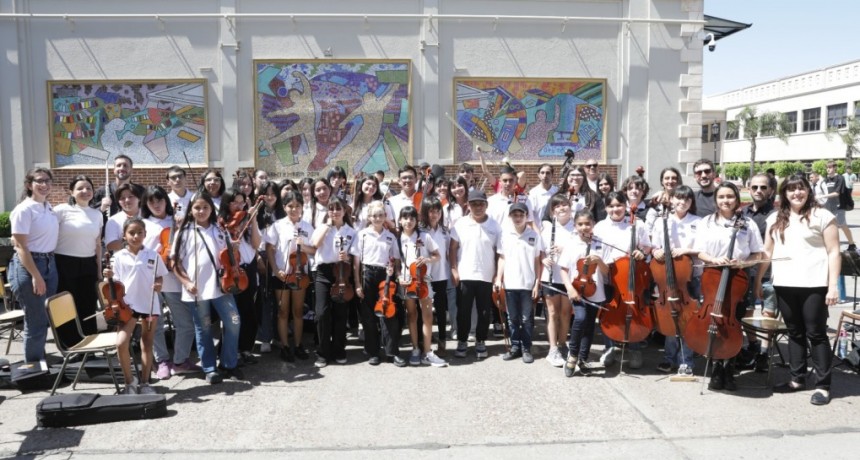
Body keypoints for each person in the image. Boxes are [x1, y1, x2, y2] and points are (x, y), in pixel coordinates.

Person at [756, 174, 839, 406]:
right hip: (784, 283)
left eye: (801, 189)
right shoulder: (775, 218)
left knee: (816, 333)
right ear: (784, 194)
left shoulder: (823, 216)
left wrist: (832, 286)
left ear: (808, 190)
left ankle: (823, 386)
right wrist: (758, 281)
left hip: (815, 284)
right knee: (794, 332)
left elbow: (834, 252)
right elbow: (767, 252)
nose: (796, 194)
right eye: (791, 190)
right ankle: (797, 379)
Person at [693, 182, 764, 391]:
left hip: (738, 280)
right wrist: (714, 260)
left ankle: (729, 369)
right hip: (713, 277)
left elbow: (757, 254)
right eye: (721, 197)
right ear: (716, 200)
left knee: (734, 325)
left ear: (737, 199)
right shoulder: (706, 222)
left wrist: (743, 263)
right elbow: (699, 251)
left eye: (730, 197)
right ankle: (715, 368)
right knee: (713, 323)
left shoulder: (747, 223)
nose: (726, 201)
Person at [172, 191, 243, 384]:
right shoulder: (184, 232)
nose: (201, 211)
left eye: (205, 207)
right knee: (203, 328)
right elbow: (175, 263)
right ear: (191, 210)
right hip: (197, 289)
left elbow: (230, 259)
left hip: (222, 285)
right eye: (197, 207)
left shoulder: (220, 229)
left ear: (212, 208)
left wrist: (233, 249)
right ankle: (209, 367)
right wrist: (186, 282)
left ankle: (229, 363)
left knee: (234, 322)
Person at [103, 217, 167, 395]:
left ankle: (145, 383)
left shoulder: (153, 255)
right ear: (124, 235)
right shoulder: (118, 257)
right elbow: (112, 283)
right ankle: (130, 382)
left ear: (145, 234)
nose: (136, 236)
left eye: (140, 232)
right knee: (121, 343)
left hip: (149, 304)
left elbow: (160, 276)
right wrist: (107, 274)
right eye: (131, 233)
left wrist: (159, 284)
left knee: (147, 343)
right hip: (127, 306)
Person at [142, 185, 200, 378]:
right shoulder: (143, 224)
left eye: (159, 200)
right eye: (151, 201)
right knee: (156, 325)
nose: (156, 205)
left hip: (174, 278)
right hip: (152, 280)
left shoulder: (177, 220)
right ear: (146, 204)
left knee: (185, 323)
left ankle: (180, 360)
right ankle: (162, 361)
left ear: (166, 202)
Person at [593, 191, 652, 369]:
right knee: (609, 312)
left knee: (632, 311)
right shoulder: (600, 227)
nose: (615, 209)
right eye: (611, 206)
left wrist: (641, 253)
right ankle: (609, 348)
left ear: (626, 206)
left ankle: (634, 348)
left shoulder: (636, 224)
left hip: (630, 276)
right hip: (607, 275)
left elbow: (647, 247)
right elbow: (596, 251)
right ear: (606, 208)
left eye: (619, 205)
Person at [9, 168, 59, 364]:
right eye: (39, 181)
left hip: (49, 263)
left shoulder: (48, 207)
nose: (44, 184)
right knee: (36, 319)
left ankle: (39, 356)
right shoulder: (24, 209)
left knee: (44, 317)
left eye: (48, 181)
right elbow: (21, 246)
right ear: (29, 185)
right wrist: (36, 275)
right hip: (30, 265)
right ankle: (34, 367)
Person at [649, 185, 701, 373]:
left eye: (687, 199)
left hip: (689, 277)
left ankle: (686, 360)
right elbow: (653, 246)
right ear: (671, 200)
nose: (682, 202)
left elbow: (703, 248)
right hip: (667, 277)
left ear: (691, 202)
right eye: (678, 198)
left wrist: (686, 250)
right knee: (670, 317)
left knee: (688, 319)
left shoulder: (698, 221)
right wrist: (657, 251)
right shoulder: (663, 220)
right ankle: (669, 358)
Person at [450, 190, 501, 360]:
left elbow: (498, 253)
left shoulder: (495, 226)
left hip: (486, 275)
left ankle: (480, 341)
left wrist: (496, 276)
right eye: (474, 204)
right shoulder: (460, 224)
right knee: (463, 311)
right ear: (468, 206)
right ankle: (462, 341)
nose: (478, 207)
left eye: (481, 204)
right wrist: (454, 269)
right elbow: (452, 248)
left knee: (484, 312)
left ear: (486, 205)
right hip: (465, 274)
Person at [266, 191, 315, 362]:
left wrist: (304, 245)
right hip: (282, 274)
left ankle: (299, 344)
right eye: (290, 206)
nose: (294, 209)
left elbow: (314, 250)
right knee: (283, 311)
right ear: (284, 207)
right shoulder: (278, 225)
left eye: (297, 206)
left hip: (300, 274)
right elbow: (270, 249)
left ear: (302, 207)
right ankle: (285, 346)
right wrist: (275, 269)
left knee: (298, 311)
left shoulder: (308, 227)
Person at [560, 210, 609, 376]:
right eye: (580, 224)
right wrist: (569, 288)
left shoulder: (601, 243)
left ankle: (583, 358)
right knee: (580, 319)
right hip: (577, 289)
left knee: (589, 325)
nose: (584, 227)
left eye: (587, 223)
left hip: (596, 290)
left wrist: (599, 260)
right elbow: (564, 269)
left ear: (593, 224)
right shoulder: (571, 243)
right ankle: (572, 355)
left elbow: (607, 271)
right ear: (575, 226)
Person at [353, 200, 402, 366]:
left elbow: (395, 259)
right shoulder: (362, 235)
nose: (377, 218)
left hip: (385, 276)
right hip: (367, 274)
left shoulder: (390, 237)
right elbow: (356, 262)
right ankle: (373, 351)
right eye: (374, 215)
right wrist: (358, 283)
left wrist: (395, 272)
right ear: (369, 217)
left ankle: (392, 352)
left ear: (385, 216)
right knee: (368, 317)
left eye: (380, 215)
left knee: (389, 314)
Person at [310, 196, 356, 367]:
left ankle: (339, 349)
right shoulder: (322, 227)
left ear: (344, 211)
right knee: (321, 313)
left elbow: (356, 256)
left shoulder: (351, 232)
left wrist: (348, 257)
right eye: (331, 208)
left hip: (343, 272)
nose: (335, 212)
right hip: (323, 272)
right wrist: (328, 226)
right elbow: (315, 244)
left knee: (340, 313)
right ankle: (323, 352)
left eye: (338, 209)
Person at [54, 175, 103, 335]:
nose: (85, 191)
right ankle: (70, 345)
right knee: (66, 306)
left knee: (88, 305)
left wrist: (99, 270)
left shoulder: (97, 215)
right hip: (64, 263)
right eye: (80, 188)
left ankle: (90, 344)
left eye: (89, 188)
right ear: (71, 192)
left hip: (88, 264)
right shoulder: (61, 210)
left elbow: (97, 245)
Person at [398, 206, 447, 367]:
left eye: (412, 218)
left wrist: (426, 260)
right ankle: (415, 349)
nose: (409, 221)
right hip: (407, 281)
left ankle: (427, 351)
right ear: (400, 220)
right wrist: (399, 276)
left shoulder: (424, 236)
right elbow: (397, 262)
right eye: (405, 218)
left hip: (424, 280)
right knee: (411, 315)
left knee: (427, 316)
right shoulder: (397, 238)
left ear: (416, 221)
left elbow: (437, 256)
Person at [218, 189, 262, 366]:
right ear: (227, 204)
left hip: (248, 269)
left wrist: (254, 220)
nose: (238, 206)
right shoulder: (220, 223)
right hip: (231, 270)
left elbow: (256, 244)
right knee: (232, 315)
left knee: (249, 312)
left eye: (242, 202)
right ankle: (230, 350)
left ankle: (246, 348)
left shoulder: (247, 220)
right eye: (234, 202)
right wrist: (230, 245)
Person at [738, 174, 777, 371]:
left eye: (763, 187)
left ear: (770, 190)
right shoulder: (742, 214)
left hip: (769, 272)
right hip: (746, 271)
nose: (758, 191)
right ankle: (752, 345)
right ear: (749, 189)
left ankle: (764, 352)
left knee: (768, 313)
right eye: (754, 187)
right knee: (748, 311)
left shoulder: (777, 214)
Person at [495, 202, 542, 364]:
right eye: (515, 215)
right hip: (510, 284)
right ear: (510, 217)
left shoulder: (534, 236)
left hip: (528, 285)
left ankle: (526, 348)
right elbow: (502, 258)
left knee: (526, 319)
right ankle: (515, 347)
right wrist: (498, 278)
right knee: (512, 318)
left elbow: (538, 261)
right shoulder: (504, 235)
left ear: (526, 216)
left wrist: (537, 283)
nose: (518, 217)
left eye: (521, 215)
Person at [540, 193, 577, 367]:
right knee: (552, 313)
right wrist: (543, 259)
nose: (562, 208)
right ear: (552, 211)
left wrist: (565, 249)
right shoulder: (547, 229)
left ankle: (563, 344)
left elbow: (580, 249)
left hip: (568, 277)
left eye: (565, 204)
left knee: (565, 313)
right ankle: (553, 348)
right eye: (557, 206)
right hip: (550, 276)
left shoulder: (576, 228)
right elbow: (540, 251)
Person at [421, 196, 452, 352]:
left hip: (440, 275)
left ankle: (442, 339)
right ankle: (424, 340)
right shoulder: (420, 231)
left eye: (437, 211)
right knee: (425, 309)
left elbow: (448, 253)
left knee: (440, 309)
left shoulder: (445, 231)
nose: (434, 214)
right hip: (423, 276)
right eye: (431, 211)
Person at [104, 184, 162, 253]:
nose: (127, 200)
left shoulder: (150, 215)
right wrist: (132, 242)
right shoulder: (113, 220)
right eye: (122, 198)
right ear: (118, 202)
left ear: (139, 198)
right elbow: (110, 245)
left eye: (131, 196)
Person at [823, 161, 856, 251]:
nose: (828, 169)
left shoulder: (840, 178)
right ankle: (830, 245)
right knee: (828, 226)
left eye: (829, 167)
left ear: (834, 168)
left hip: (839, 206)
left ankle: (852, 244)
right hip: (828, 206)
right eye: (827, 168)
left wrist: (822, 196)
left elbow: (837, 193)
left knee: (842, 225)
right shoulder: (826, 180)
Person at [528, 163, 558, 232]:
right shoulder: (533, 193)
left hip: (555, 232)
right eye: (542, 173)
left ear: (552, 175)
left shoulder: (557, 192)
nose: (545, 176)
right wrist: (538, 233)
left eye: (548, 173)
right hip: (538, 232)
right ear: (538, 175)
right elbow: (530, 217)